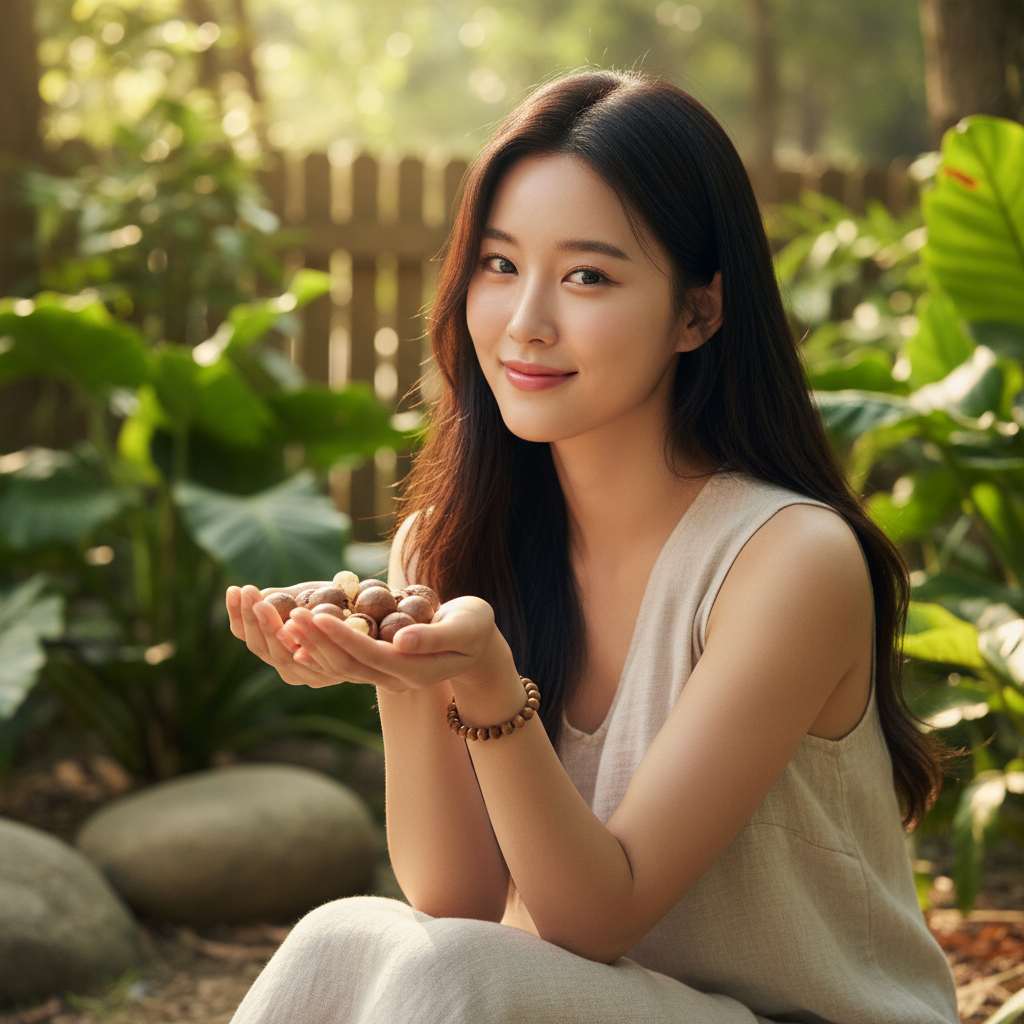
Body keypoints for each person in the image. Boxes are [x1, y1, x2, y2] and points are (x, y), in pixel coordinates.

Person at [225, 69, 959, 1024]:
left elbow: (595, 917)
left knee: (458, 979)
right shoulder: (445, 544)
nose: (526, 321)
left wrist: (490, 686)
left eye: (587, 276)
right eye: (498, 265)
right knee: (339, 939)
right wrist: (408, 675)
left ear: (699, 312)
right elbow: (459, 906)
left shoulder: (788, 560)